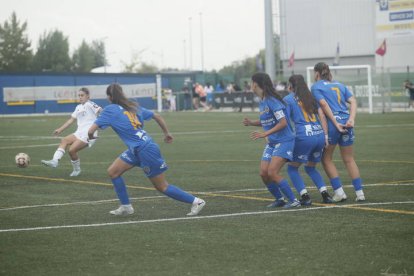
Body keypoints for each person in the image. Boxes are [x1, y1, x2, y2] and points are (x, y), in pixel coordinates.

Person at [87, 83, 206, 216]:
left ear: (109, 97)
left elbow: (91, 131)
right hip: (137, 149)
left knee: (162, 186)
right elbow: (157, 116)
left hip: (145, 150)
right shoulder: (133, 106)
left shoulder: (110, 110)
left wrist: (91, 137)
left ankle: (196, 201)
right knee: (113, 172)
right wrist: (167, 133)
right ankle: (126, 207)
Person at [243, 72, 300, 208]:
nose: (251, 85)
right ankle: (279, 199)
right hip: (273, 142)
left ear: (255, 84)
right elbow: (267, 121)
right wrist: (251, 123)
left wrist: (264, 134)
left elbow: (283, 123)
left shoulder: (272, 101)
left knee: (272, 172)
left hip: (285, 140)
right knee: (263, 173)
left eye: (251, 82)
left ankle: (294, 201)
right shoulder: (263, 101)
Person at [311, 62, 365, 202]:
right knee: (349, 159)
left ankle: (339, 192)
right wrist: (351, 119)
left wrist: (335, 122)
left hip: (334, 125)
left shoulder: (316, 86)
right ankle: (360, 193)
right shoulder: (340, 85)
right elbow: (353, 101)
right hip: (347, 122)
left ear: (317, 73)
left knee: (326, 158)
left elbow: (323, 105)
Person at [284, 75, 338, 205]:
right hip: (319, 135)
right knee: (310, 168)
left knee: (292, 168)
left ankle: (305, 196)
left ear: (291, 86)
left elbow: (284, 121)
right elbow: (322, 117)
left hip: (304, 136)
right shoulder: (311, 98)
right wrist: (325, 136)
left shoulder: (288, 99)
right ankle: (325, 194)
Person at [41, 87, 102, 177]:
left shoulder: (90, 104)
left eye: (82, 95)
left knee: (72, 150)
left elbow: (101, 111)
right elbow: (71, 120)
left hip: (89, 134)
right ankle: (55, 161)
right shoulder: (78, 107)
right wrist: (60, 129)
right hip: (79, 132)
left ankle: (77, 170)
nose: (80, 97)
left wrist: (100, 122)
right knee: (64, 140)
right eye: (79, 95)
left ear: (88, 96)